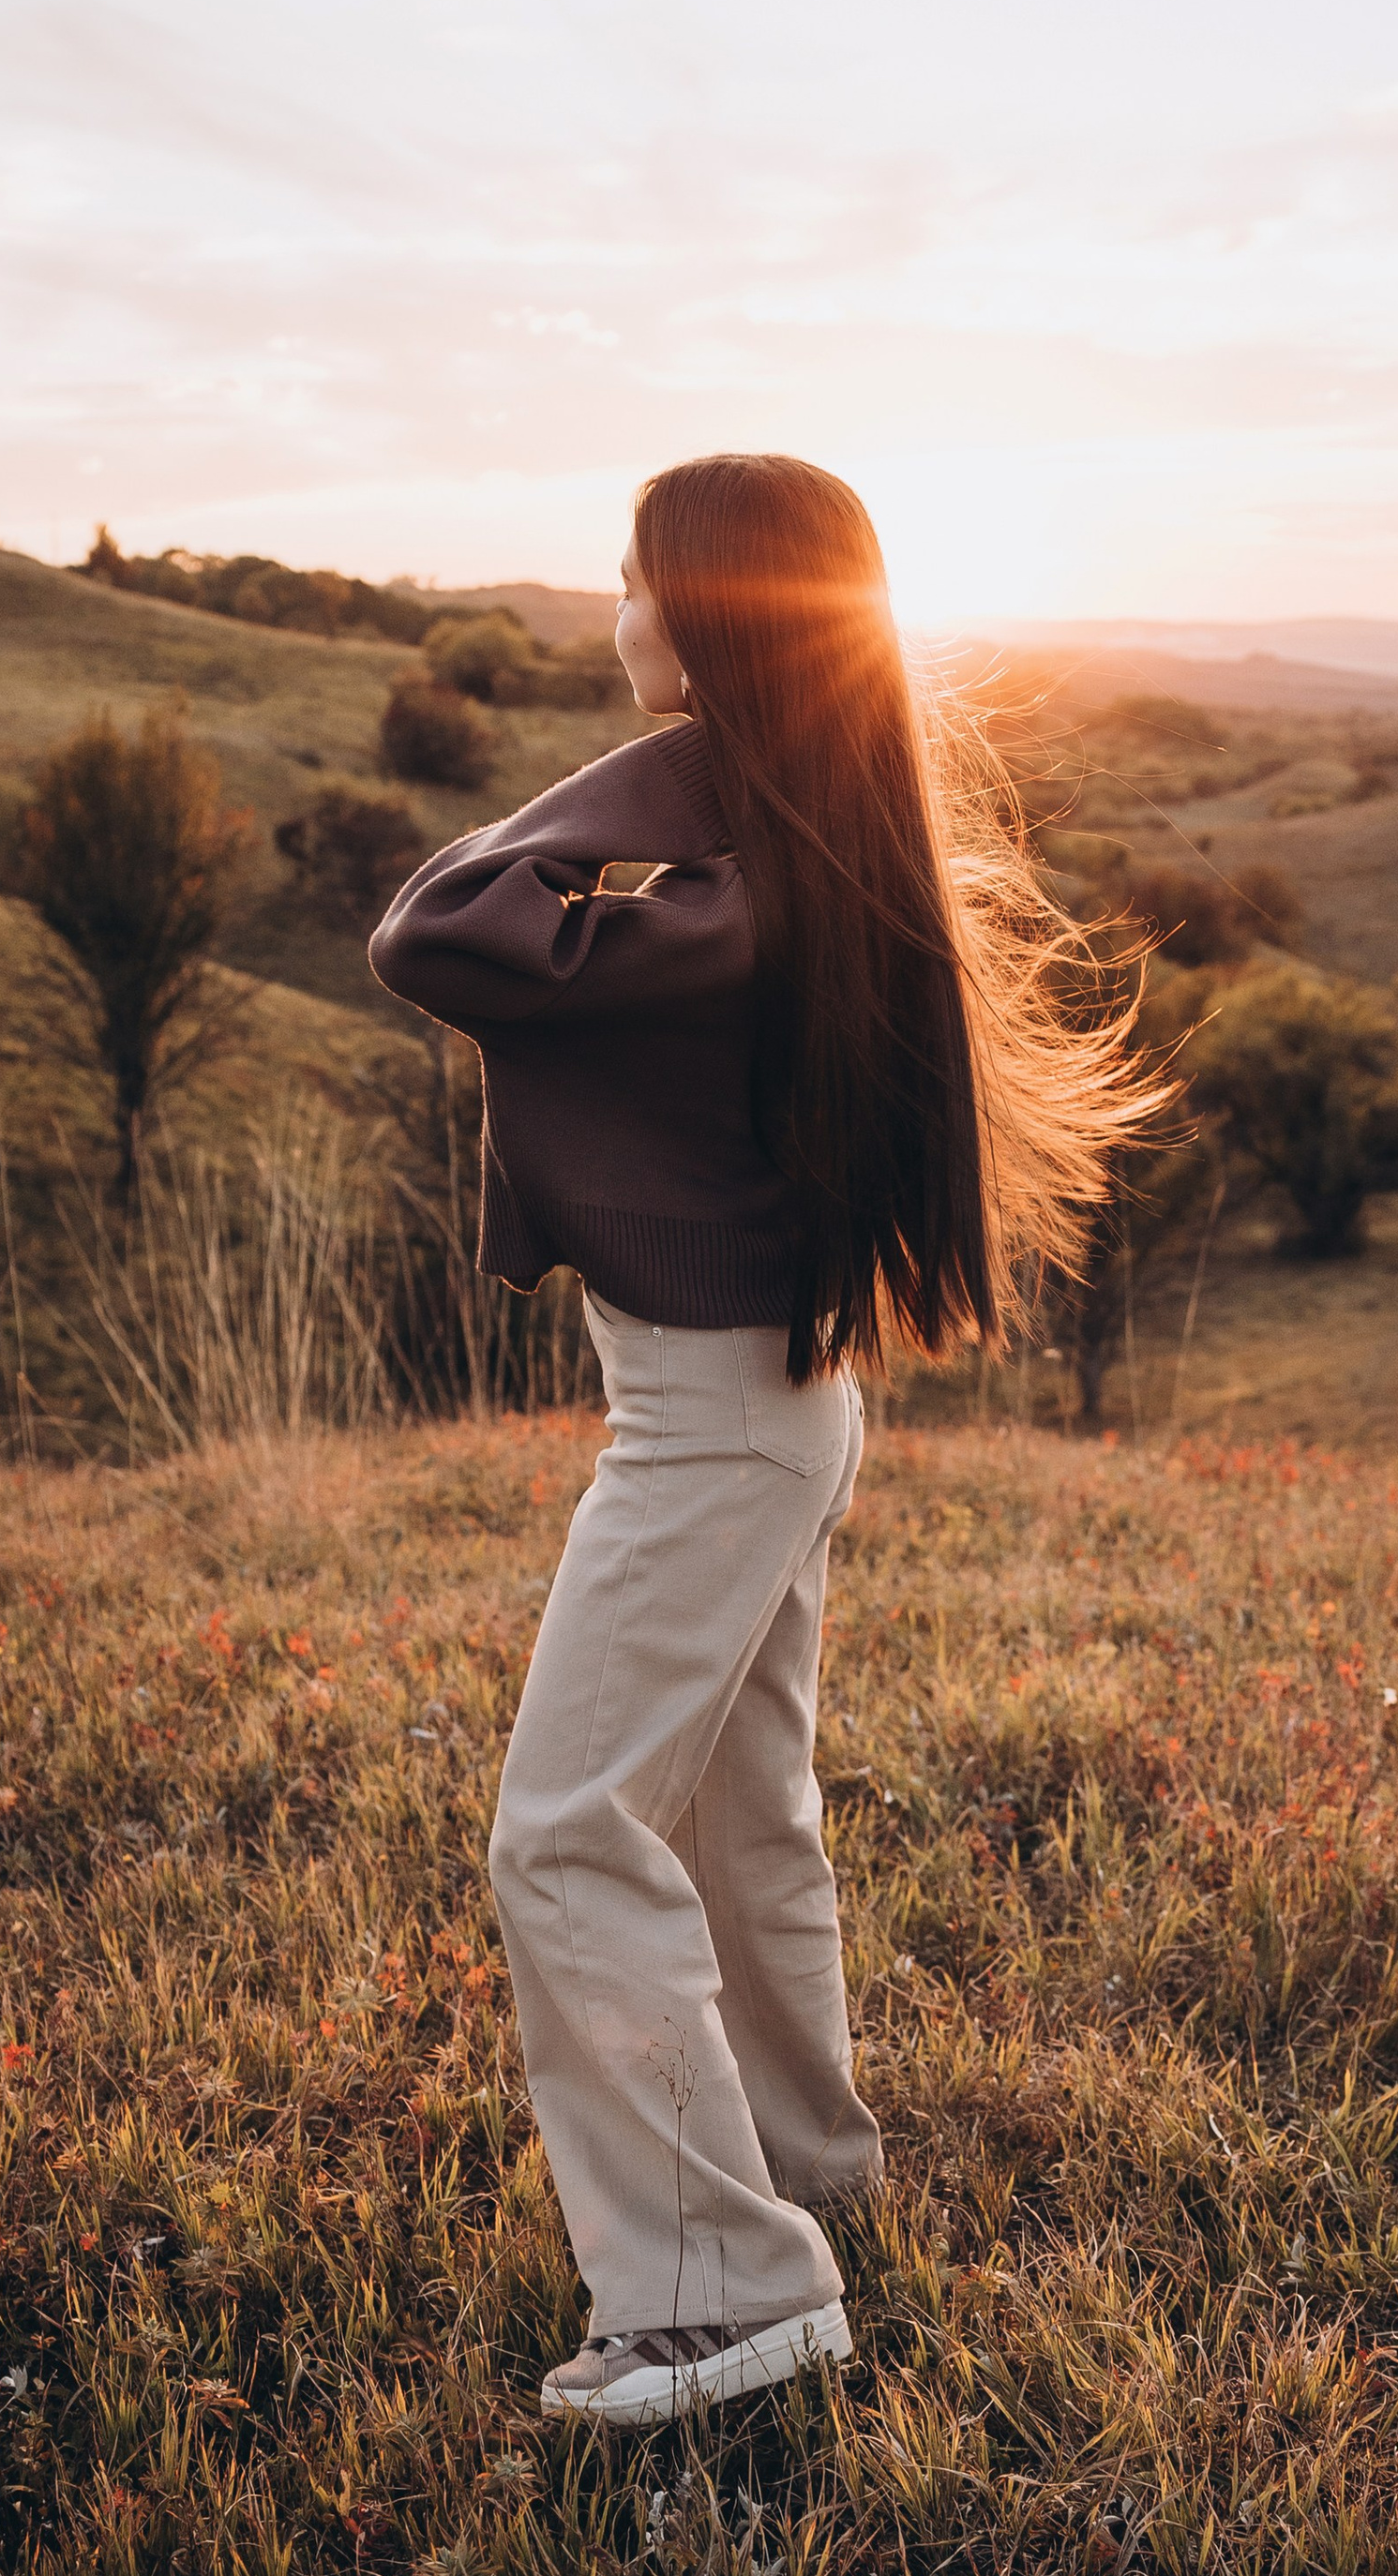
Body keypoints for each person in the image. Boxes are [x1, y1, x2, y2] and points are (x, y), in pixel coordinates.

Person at [370, 453, 1150, 2426]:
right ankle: (809, 2173)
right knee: (734, 1817)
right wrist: (723, 742)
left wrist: (685, 749)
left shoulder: (714, 891)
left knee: (559, 1832)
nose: (607, 614)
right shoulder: (780, 864)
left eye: (635, 585)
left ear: (705, 626)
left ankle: (724, 2292)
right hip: (765, 1411)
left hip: (718, 1431)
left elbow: (432, 923)